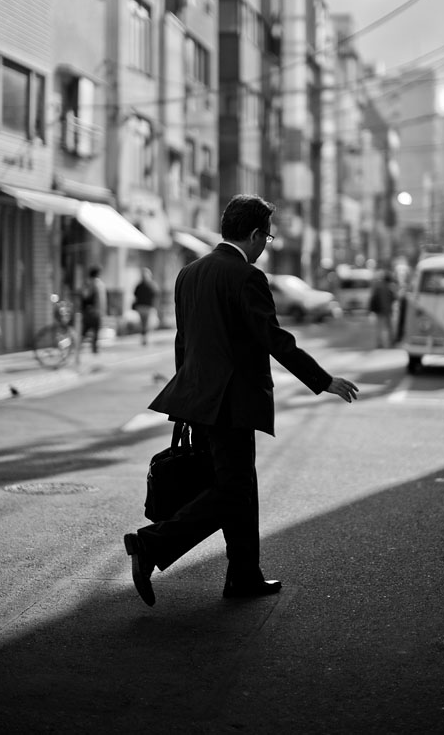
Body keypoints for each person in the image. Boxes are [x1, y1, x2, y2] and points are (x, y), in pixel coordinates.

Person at [123, 194, 359, 607]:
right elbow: (274, 339)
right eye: (266, 237)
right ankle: (151, 544)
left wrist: (187, 401)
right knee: (233, 493)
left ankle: (244, 575)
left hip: (200, 401)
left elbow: (185, 345)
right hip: (232, 403)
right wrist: (323, 380)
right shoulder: (246, 277)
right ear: (253, 235)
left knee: (240, 488)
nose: (266, 245)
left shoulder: (188, 274)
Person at [81, 265, 107, 354]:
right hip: (96, 311)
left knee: (85, 331)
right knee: (94, 331)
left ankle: (79, 347)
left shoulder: (90, 284)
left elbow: (85, 297)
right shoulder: (99, 284)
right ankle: (94, 350)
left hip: (92, 311)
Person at [368, 270, 396, 348]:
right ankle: (391, 342)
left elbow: (373, 298)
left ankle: (380, 343)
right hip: (386, 310)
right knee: (388, 327)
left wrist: (371, 309)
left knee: (379, 328)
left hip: (379, 310)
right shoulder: (389, 287)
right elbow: (394, 298)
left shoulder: (378, 286)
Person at [133, 267, 160, 344]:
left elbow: (135, 294)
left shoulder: (139, 285)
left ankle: (144, 337)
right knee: (146, 323)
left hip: (142, 306)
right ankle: (145, 338)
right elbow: (156, 295)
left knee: (144, 323)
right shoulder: (152, 285)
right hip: (147, 307)